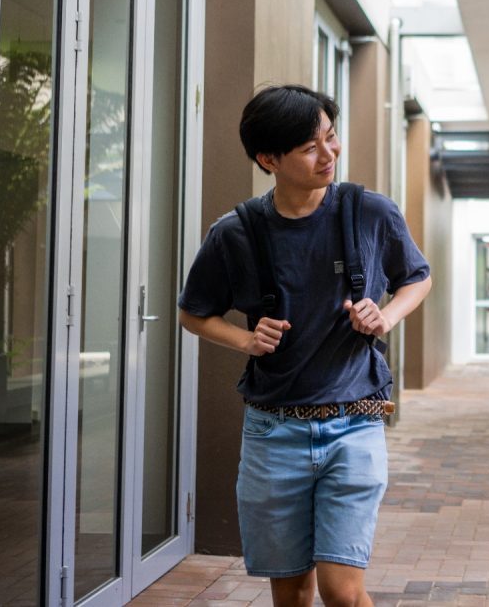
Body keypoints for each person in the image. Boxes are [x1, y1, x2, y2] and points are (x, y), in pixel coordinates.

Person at [178, 85, 431, 607]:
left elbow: (417, 278)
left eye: (331, 138)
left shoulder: (370, 212)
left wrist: (385, 315)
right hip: (274, 432)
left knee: (342, 590)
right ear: (268, 158)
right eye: (311, 147)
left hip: (354, 424)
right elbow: (193, 313)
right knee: (292, 591)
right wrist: (246, 338)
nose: (329, 154)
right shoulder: (236, 233)